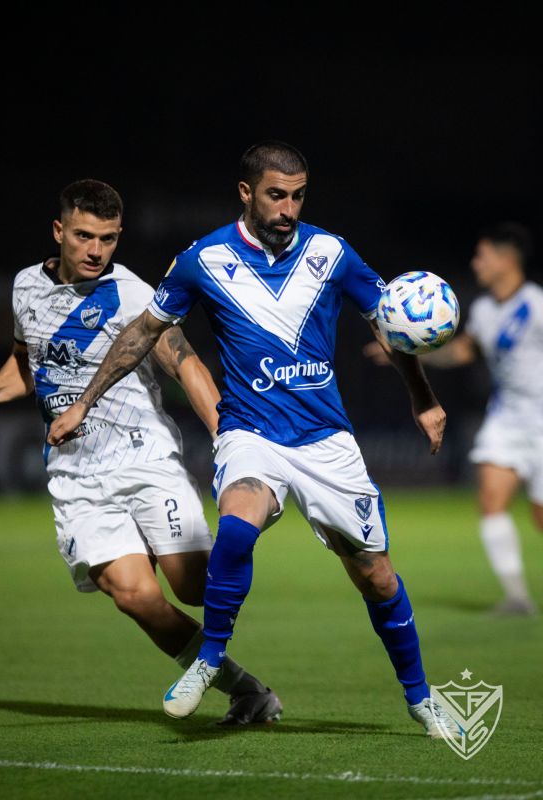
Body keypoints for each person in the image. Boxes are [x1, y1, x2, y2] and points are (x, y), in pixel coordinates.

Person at [47, 146, 462, 741]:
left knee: (376, 576)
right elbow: (142, 334)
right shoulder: (203, 260)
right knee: (238, 523)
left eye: (298, 196)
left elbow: (389, 324)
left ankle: (420, 699)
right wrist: (83, 403)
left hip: (325, 440)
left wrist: (422, 397)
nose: (288, 208)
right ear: (246, 193)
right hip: (250, 431)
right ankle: (209, 659)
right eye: (276, 195)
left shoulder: (331, 253)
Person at [0, 178, 281, 726]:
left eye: (108, 239)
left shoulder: (133, 294)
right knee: (135, 596)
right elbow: (29, 360)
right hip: (76, 476)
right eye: (84, 236)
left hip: (144, 459)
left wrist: (228, 437)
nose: (96, 250)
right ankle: (247, 691)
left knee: (192, 586)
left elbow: (186, 364)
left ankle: (244, 525)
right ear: (59, 230)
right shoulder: (25, 287)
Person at [367, 222, 541, 615]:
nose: (476, 263)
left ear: (505, 259)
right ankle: (517, 598)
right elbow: (463, 351)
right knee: (491, 500)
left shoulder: (537, 304)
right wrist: (408, 353)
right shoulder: (483, 310)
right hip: (507, 418)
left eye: (482, 256)